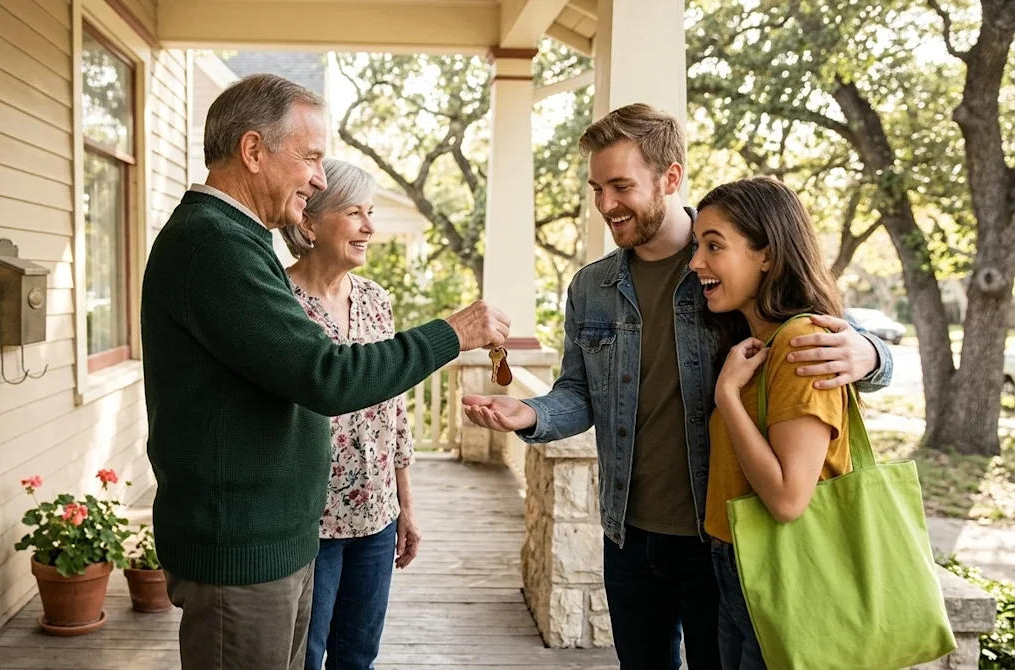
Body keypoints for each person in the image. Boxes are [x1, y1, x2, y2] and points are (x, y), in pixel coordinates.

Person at [459, 103, 893, 670]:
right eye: (596, 187)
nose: (605, 205)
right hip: (628, 535)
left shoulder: (726, 264)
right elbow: (578, 393)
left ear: (670, 177)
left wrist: (872, 353)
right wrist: (531, 416)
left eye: (621, 186)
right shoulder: (591, 287)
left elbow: (809, 318)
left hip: (723, 537)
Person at [140, 74, 509, 670]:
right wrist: (454, 332)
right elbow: (327, 375)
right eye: (310, 157)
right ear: (254, 151)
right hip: (240, 550)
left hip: (278, 543)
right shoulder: (214, 246)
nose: (318, 177)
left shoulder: (239, 240)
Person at [692, 177, 859, 669]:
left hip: (785, 572)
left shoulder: (802, 344)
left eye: (714, 246)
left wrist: (727, 395)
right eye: (698, 245)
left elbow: (788, 498)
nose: (696, 262)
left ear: (767, 253)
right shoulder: (754, 345)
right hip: (738, 568)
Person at [278, 158, 420, 669]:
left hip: (377, 517)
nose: (369, 227)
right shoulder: (279, 302)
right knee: (305, 657)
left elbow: (394, 411)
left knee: (358, 657)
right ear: (310, 223)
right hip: (309, 525)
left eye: (371, 212)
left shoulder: (376, 301)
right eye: (354, 212)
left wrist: (405, 504)